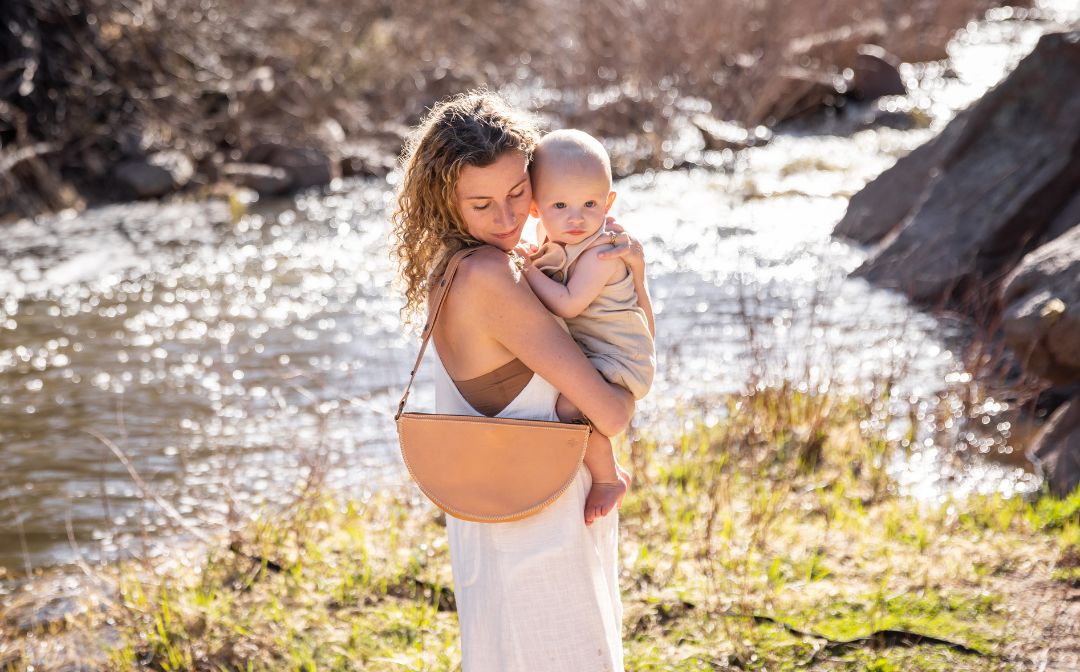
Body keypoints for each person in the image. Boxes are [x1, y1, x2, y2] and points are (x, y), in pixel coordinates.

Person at [391, 90, 651, 671]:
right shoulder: (491, 276)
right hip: (541, 526)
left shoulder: (452, 267)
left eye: (517, 194)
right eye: (482, 204)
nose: (507, 218)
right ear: (445, 202)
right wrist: (629, 275)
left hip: (497, 519)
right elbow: (610, 413)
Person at [517, 129, 655, 526]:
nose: (576, 217)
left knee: (567, 407)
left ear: (609, 202)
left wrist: (526, 270)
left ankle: (608, 476)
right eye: (559, 204)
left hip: (619, 355)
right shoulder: (552, 234)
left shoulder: (603, 250)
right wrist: (534, 256)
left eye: (590, 203)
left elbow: (568, 302)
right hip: (595, 348)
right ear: (535, 208)